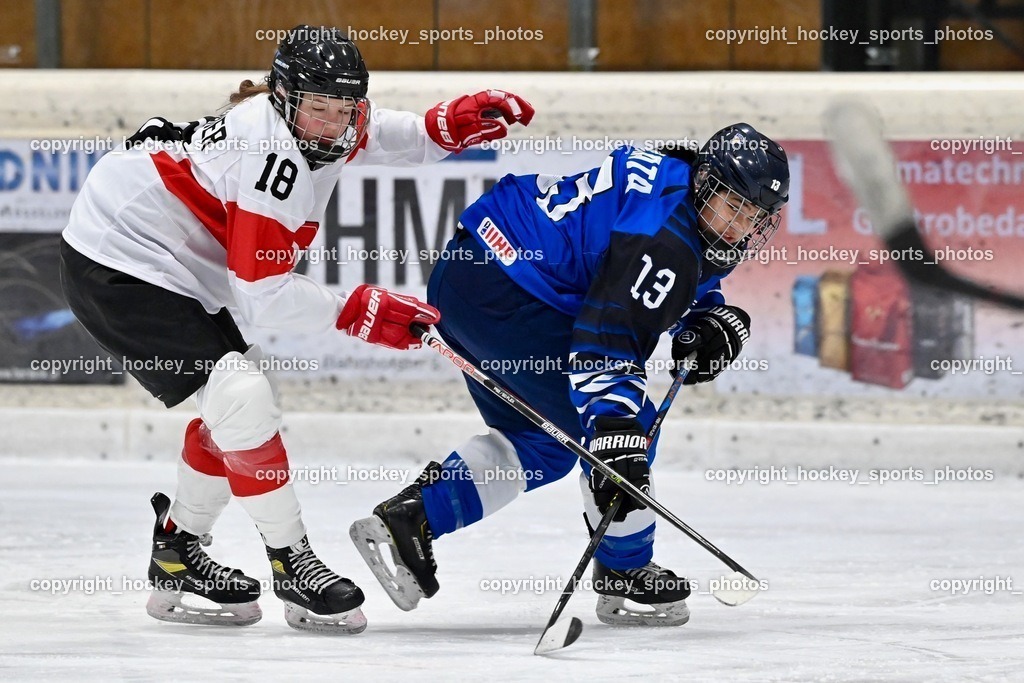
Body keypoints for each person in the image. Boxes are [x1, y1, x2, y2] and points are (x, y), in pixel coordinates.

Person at [58, 24, 532, 634]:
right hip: (118, 261)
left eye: (343, 109)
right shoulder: (271, 161)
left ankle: (177, 553)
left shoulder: (320, 122)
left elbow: (379, 131)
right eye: (318, 110)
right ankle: (292, 562)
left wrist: (445, 125)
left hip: (166, 260)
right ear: (284, 100)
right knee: (243, 398)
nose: (332, 126)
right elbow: (263, 299)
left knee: (238, 406)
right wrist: (365, 312)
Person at [350, 124, 789, 626]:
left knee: (541, 441)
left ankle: (414, 518)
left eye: (756, 216)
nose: (741, 226)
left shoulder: (680, 184)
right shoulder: (666, 239)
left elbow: (640, 265)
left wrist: (706, 315)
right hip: (514, 293)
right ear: (708, 183)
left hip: (471, 275)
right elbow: (607, 338)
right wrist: (616, 433)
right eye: (734, 206)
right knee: (628, 427)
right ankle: (625, 570)